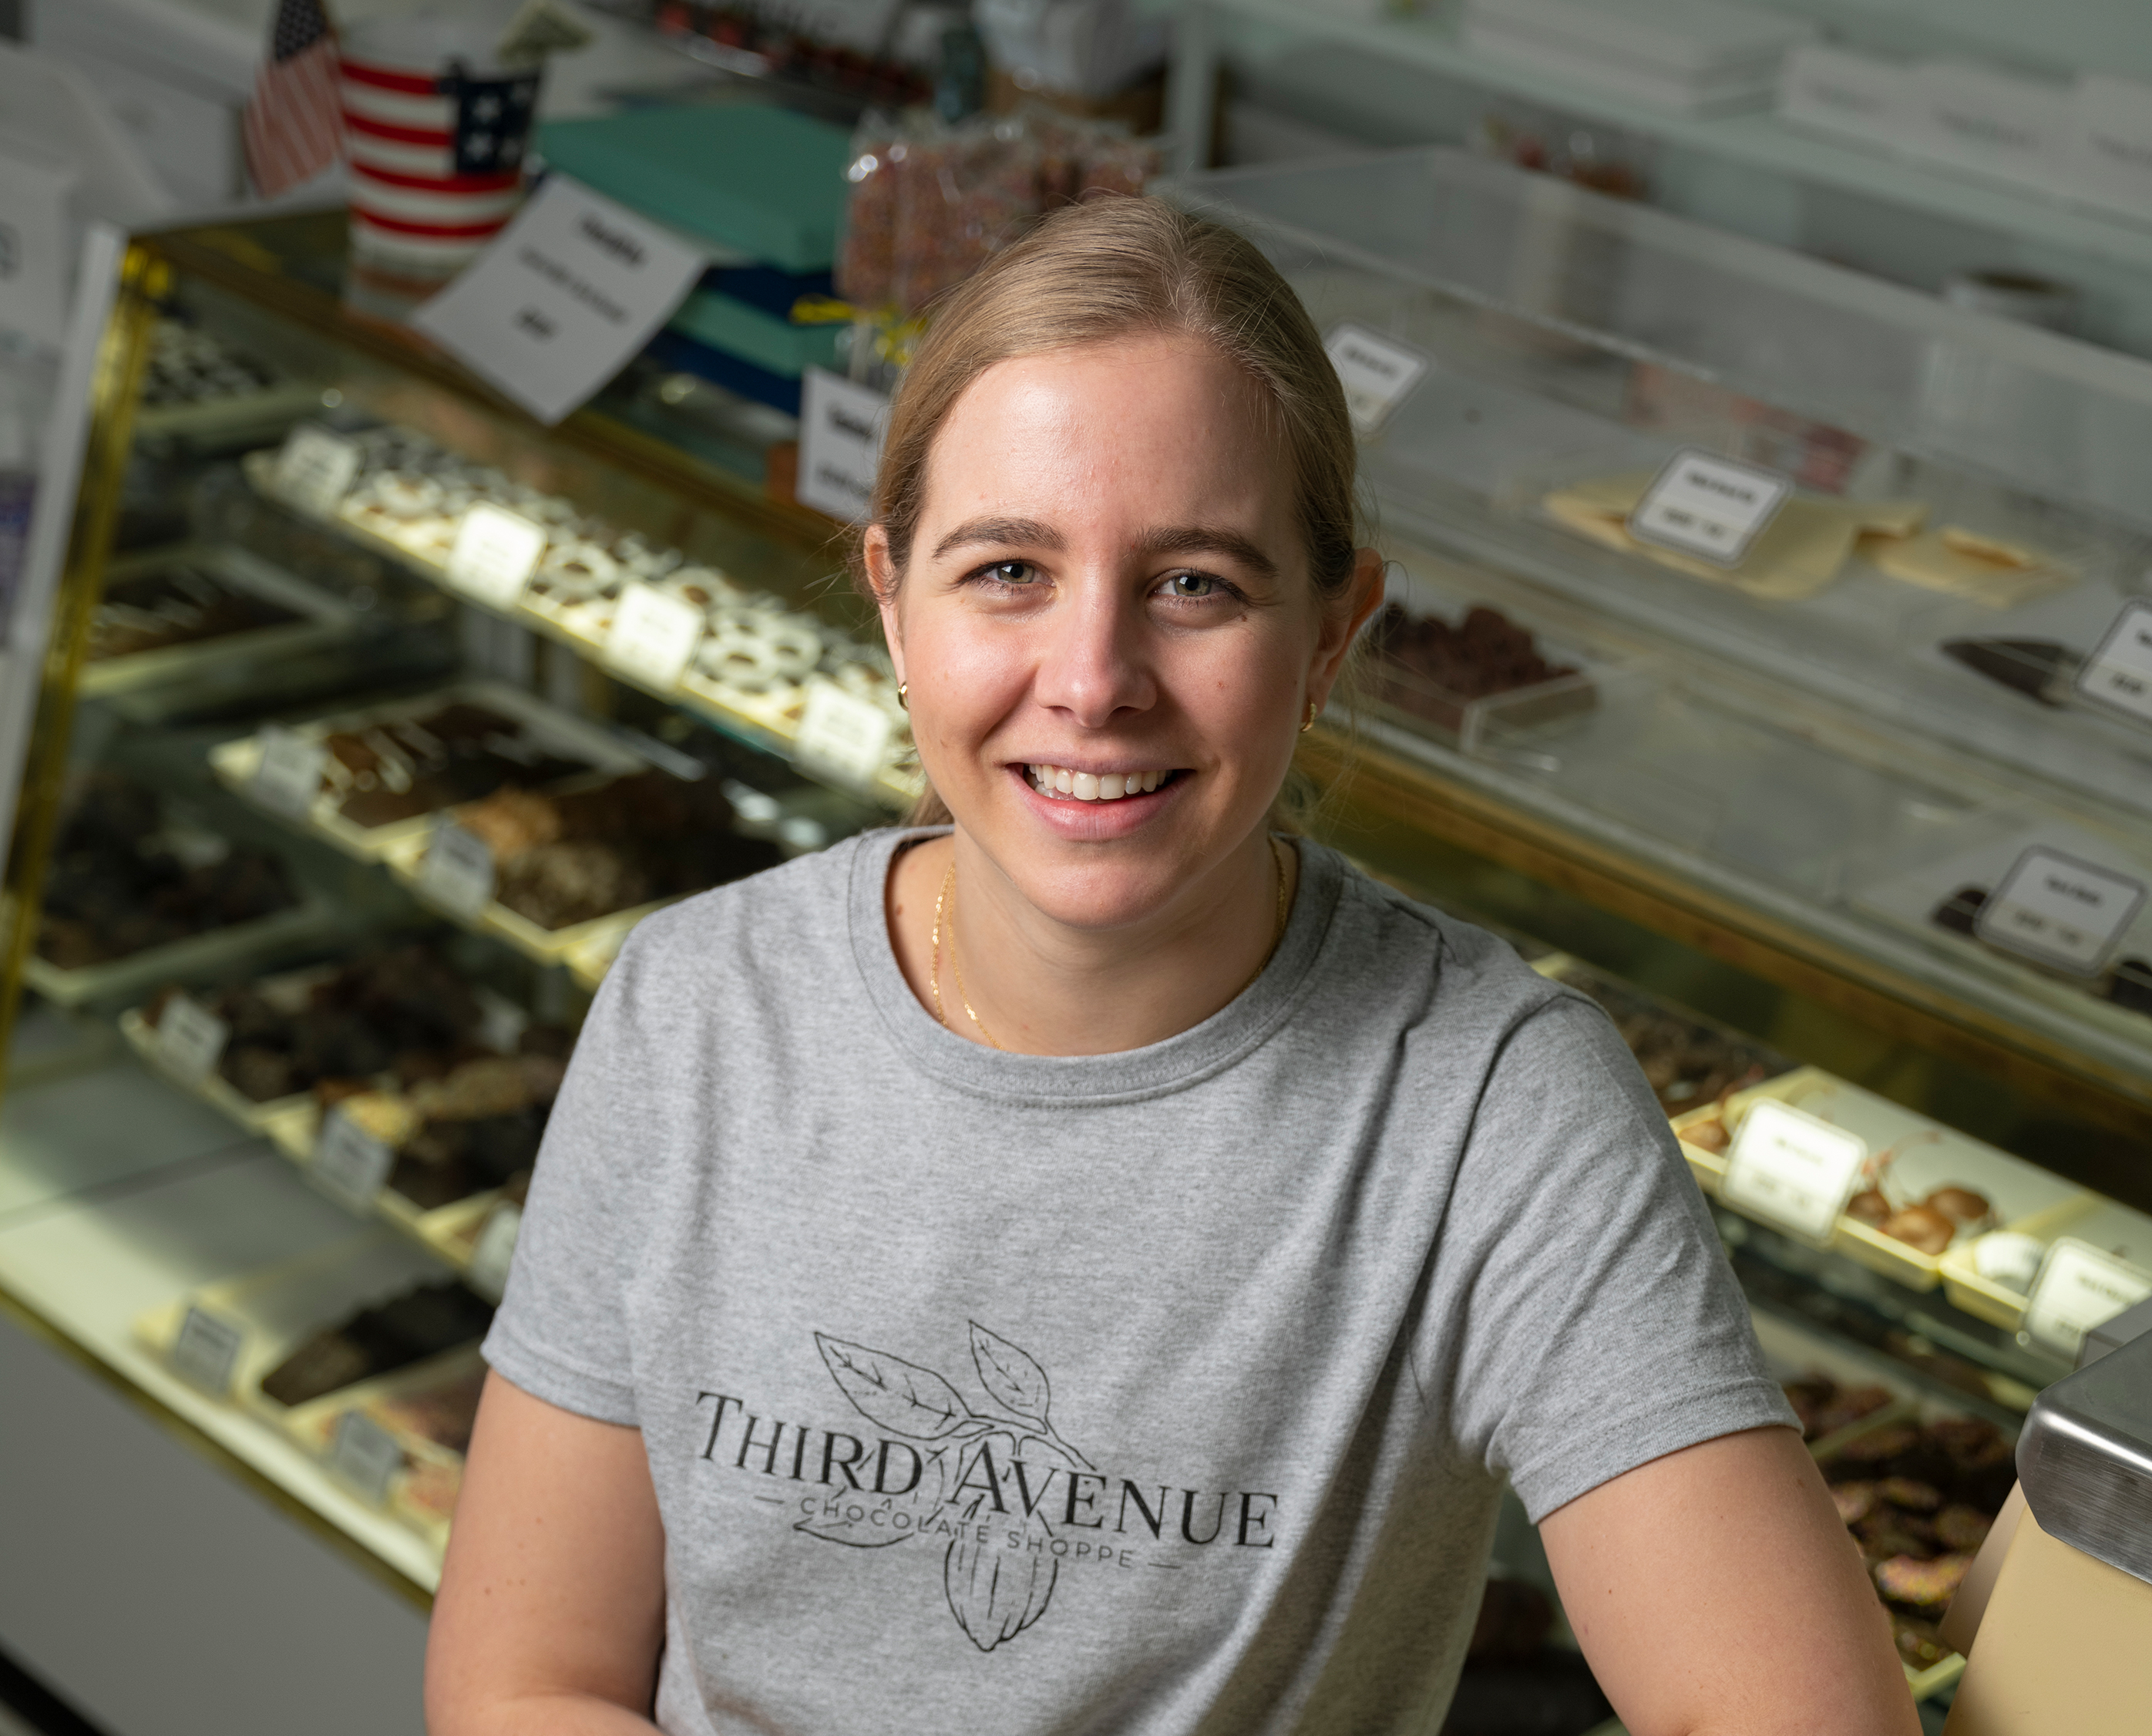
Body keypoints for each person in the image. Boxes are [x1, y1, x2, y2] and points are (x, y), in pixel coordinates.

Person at [426, 197, 1918, 1736]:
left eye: (1195, 581)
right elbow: (525, 1681)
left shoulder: (1487, 1108)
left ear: (1333, 633)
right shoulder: (696, 1010)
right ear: (891, 598)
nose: (1091, 682)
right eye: (1006, 569)